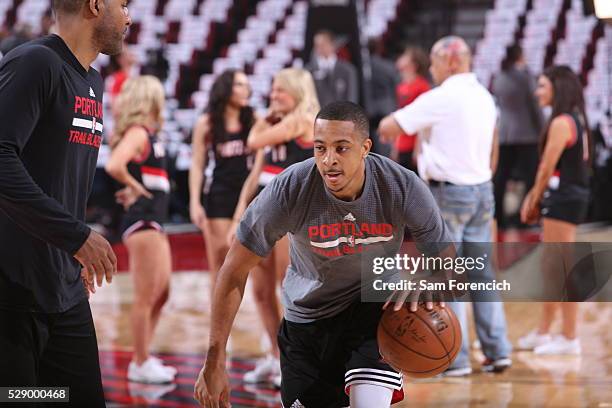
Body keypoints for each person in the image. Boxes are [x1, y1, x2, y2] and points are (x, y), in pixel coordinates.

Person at [194, 101, 450, 408]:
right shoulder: (289, 189)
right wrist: (215, 357)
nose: (329, 160)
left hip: (374, 312)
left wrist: (429, 281)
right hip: (307, 321)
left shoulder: (401, 186)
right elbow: (233, 270)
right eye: (320, 148)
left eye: (341, 148)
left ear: (365, 147)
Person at [0, 0, 131, 405]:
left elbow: (58, 179)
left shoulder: (92, 81)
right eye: (123, 4)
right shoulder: (35, 62)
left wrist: (69, 250)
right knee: (26, 399)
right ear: (95, 4)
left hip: (65, 288)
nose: (128, 16)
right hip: (12, 295)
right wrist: (76, 236)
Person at [379, 36, 512, 376]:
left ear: (451, 62)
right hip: (482, 189)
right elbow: (494, 145)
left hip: (446, 194)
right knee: (482, 276)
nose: (432, 69)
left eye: (436, 63)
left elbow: (388, 126)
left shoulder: (440, 97)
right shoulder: (485, 96)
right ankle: (498, 351)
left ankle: (457, 358)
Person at [229, 67, 319, 387]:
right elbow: (256, 173)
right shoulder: (282, 123)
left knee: (287, 290)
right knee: (262, 291)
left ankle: (296, 361)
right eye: (273, 89)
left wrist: (265, 119)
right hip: (264, 211)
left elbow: (254, 141)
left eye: (280, 90)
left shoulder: (300, 119)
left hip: (291, 216)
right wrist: (242, 213)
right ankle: (276, 355)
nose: (273, 95)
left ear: (297, 92)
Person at [105, 75, 176, 383]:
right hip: (143, 221)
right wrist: (138, 189)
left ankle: (145, 354)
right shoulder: (137, 132)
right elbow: (114, 165)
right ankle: (140, 360)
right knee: (146, 295)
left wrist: (133, 188)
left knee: (162, 292)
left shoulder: (147, 132)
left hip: (154, 221)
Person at [518, 66, 591, 355]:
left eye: (543, 86)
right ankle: (544, 332)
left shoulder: (562, 121)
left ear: (557, 88)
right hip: (566, 198)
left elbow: (547, 167)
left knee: (561, 268)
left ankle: (570, 337)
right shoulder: (570, 118)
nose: (538, 92)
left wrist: (532, 199)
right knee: (552, 268)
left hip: (565, 199)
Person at [189, 69, 255, 300]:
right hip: (218, 195)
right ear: (225, 89)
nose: (246, 89)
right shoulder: (206, 123)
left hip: (249, 195)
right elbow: (197, 164)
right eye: (239, 84)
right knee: (219, 261)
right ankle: (217, 323)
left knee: (250, 262)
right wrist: (194, 202)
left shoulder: (254, 119)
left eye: (246, 85)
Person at [492, 44, 543, 229]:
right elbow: (535, 106)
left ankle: (498, 218)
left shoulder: (498, 77)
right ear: (520, 55)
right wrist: (543, 130)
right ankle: (528, 216)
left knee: (500, 177)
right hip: (527, 134)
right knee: (531, 177)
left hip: (505, 133)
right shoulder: (525, 77)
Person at [392, 46, 431, 172]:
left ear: (413, 64)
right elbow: (399, 117)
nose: (401, 58)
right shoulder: (401, 86)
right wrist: (395, 146)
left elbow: (423, 120)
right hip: (402, 143)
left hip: (414, 144)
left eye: (405, 56)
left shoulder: (422, 86)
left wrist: (418, 149)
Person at [306, 30, 359, 107]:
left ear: (332, 45)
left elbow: (352, 98)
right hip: (317, 116)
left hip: (341, 115)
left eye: (322, 45)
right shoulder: (309, 70)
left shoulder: (348, 70)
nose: (319, 49)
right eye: (317, 45)